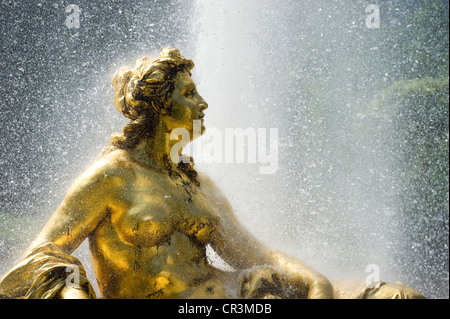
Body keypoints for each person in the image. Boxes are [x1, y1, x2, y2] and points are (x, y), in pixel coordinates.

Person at [0, 48, 424, 299]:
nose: (203, 104)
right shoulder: (112, 176)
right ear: (161, 106)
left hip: (239, 296)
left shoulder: (197, 186)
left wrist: (315, 282)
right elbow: (39, 259)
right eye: (190, 94)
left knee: (396, 295)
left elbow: (257, 256)